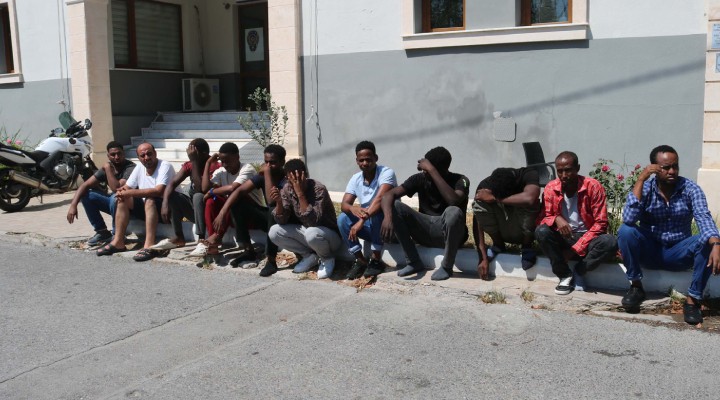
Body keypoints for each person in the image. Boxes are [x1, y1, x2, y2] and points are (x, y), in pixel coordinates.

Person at [617, 145, 720, 324]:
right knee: (626, 231)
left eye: (675, 166)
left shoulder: (690, 189)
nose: (672, 171)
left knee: (707, 240)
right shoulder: (646, 188)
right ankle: (636, 287)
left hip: (679, 253)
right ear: (654, 168)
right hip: (651, 251)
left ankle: (693, 300)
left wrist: (716, 244)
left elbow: (703, 217)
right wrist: (641, 179)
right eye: (666, 167)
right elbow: (629, 219)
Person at [380, 146, 469, 281]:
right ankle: (413, 262)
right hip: (424, 232)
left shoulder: (461, 180)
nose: (424, 171)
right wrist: (388, 218)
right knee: (395, 205)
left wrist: (432, 171)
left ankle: (446, 267)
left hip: (449, 235)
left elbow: (453, 200)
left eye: (427, 169)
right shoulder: (419, 179)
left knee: (454, 212)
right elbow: (388, 195)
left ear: (441, 169)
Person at [535, 151, 617, 295]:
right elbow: (543, 218)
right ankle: (564, 274)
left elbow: (601, 223)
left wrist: (574, 250)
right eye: (560, 171)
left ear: (577, 168)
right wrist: (556, 218)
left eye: (568, 170)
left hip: (588, 237)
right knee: (541, 231)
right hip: (564, 237)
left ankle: (580, 271)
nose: (564, 175)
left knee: (610, 242)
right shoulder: (551, 188)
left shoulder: (593, 186)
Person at [215, 144, 287, 276]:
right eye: (266, 162)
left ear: (282, 162)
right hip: (271, 220)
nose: (268, 165)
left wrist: (266, 173)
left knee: (272, 209)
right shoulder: (262, 176)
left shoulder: (287, 177)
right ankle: (248, 251)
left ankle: (271, 260)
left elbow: (271, 201)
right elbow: (239, 191)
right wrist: (222, 212)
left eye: (272, 162)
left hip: (287, 220)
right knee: (237, 203)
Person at [96, 143, 175, 262]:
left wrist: (129, 192)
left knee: (149, 199)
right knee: (122, 198)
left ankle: (149, 245)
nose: (146, 158)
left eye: (149, 154)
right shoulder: (139, 167)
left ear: (155, 153)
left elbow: (158, 191)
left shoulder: (165, 166)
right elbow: (127, 187)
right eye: (142, 155)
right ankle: (118, 242)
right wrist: (122, 192)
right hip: (148, 209)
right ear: (138, 157)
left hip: (168, 210)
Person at [268, 158, 342, 279]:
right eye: (292, 180)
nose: (296, 183)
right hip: (308, 233)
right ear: (287, 178)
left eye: (299, 178)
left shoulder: (318, 189)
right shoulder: (287, 189)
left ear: (305, 175)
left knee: (311, 233)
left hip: (329, 236)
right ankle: (309, 256)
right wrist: (279, 203)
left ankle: (327, 258)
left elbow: (313, 221)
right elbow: (282, 220)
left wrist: (300, 194)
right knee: (274, 231)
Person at [339, 141, 397, 279]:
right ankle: (361, 260)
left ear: (375, 158)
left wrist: (361, 221)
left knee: (377, 212)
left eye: (368, 159)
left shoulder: (386, 172)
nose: (365, 163)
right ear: (357, 161)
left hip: (388, 227)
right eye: (361, 160)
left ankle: (376, 260)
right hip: (370, 226)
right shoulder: (355, 178)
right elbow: (344, 204)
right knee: (342, 218)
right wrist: (352, 208)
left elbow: (380, 199)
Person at [195, 142, 264, 257]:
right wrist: (208, 163)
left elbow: (234, 188)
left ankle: (217, 236)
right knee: (211, 201)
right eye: (222, 161)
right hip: (232, 216)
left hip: (252, 216)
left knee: (236, 196)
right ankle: (213, 244)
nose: (225, 165)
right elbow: (204, 188)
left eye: (227, 161)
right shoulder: (221, 171)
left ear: (237, 157)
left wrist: (212, 192)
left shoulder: (247, 168)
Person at [150, 139, 218, 253]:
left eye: (193, 153)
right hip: (195, 212)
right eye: (189, 152)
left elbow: (200, 188)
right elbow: (171, 184)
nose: (190, 155)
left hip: (209, 212)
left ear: (204, 154)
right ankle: (179, 237)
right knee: (172, 196)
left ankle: (201, 239)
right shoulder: (190, 164)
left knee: (197, 196)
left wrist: (194, 161)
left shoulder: (215, 166)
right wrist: (165, 203)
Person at [473, 167, 541, 280]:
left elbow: (530, 198)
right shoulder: (486, 185)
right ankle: (498, 245)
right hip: (502, 228)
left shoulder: (528, 174)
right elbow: (477, 220)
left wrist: (495, 198)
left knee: (532, 203)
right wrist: (483, 258)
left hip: (524, 230)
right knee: (480, 203)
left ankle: (527, 247)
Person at [66, 141, 135, 246]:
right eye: (113, 154)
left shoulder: (130, 167)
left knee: (116, 196)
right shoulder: (109, 167)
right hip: (115, 204)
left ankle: (117, 234)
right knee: (87, 195)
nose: (116, 157)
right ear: (108, 156)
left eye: (119, 153)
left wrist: (107, 169)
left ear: (123, 154)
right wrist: (73, 205)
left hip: (131, 206)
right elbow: (84, 185)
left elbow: (117, 189)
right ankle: (102, 232)